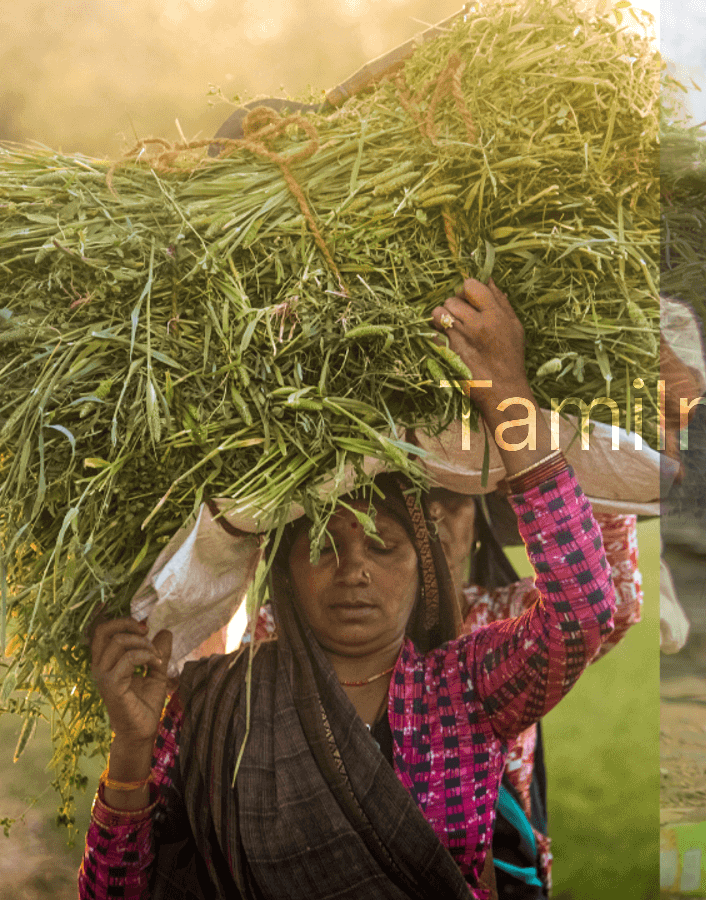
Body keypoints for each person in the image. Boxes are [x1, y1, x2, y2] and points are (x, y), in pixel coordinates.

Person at [79, 279, 618, 899]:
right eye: (325, 546)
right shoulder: (211, 705)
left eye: (383, 546)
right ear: (284, 569)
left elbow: (581, 615)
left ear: (426, 567)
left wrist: (508, 395)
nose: (353, 570)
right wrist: (130, 749)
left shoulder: (465, 689)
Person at [423, 488, 643, 899]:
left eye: (453, 497)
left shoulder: (502, 615)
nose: (434, 513)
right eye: (416, 496)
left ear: (477, 524)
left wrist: (601, 471)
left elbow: (610, 603)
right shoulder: (335, 628)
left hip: (499, 854)